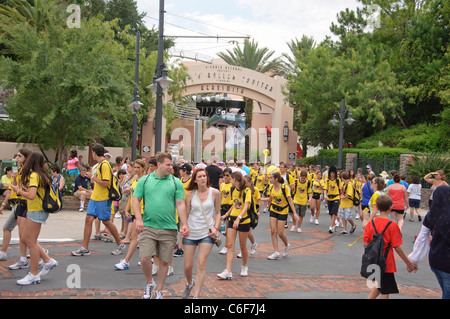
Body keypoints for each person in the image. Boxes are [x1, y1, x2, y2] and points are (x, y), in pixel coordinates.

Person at [133, 152, 190, 299]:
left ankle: (159, 290)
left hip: (169, 227)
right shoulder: (145, 181)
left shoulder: (176, 182)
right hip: (148, 226)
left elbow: (180, 204)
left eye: (172, 165)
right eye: (168, 165)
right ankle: (149, 283)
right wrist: (138, 218)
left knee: (164, 261)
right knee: (145, 258)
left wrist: (184, 223)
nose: (171, 167)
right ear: (159, 165)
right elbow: (135, 200)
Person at [11, 152, 58, 285]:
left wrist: (18, 191)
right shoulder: (40, 174)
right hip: (36, 210)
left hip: (36, 210)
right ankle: (48, 261)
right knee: (26, 238)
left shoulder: (33, 175)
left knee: (30, 241)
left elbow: (31, 195)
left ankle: (34, 274)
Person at [71, 144, 125, 256]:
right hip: (95, 197)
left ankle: (120, 243)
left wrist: (92, 177)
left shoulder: (105, 165)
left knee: (106, 221)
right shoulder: (99, 165)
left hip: (103, 198)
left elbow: (105, 183)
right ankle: (85, 247)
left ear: (94, 153)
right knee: (88, 219)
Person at [363, 195, 417, 299]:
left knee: (379, 286)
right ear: (391, 207)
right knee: (385, 290)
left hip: (373, 260)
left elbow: (366, 244)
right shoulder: (392, 225)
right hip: (386, 262)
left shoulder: (371, 223)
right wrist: (409, 263)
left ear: (377, 207)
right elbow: (397, 247)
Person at [182, 169, 221, 299]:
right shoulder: (190, 195)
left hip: (207, 232)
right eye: (200, 176)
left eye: (204, 176)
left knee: (201, 263)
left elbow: (217, 213)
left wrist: (216, 227)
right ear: (195, 180)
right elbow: (186, 214)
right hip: (191, 232)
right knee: (187, 266)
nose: (203, 178)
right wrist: (184, 226)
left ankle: (196, 296)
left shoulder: (215, 193)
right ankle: (189, 283)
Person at [408, 185, 450, 299]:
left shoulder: (431, 215)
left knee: (445, 291)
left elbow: (422, 237)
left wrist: (413, 260)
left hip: (435, 260)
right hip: (447, 263)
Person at [217, 171, 252, 279]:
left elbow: (246, 206)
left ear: (235, 179)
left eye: (231, 179)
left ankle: (244, 266)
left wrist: (239, 218)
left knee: (242, 245)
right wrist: (227, 214)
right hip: (232, 219)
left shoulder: (247, 190)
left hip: (243, 220)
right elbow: (234, 203)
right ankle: (228, 270)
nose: (229, 181)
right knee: (230, 245)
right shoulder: (232, 190)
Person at [2, 149, 32, 268]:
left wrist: (18, 188)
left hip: (26, 203)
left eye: (19, 156)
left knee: (24, 235)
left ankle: (38, 255)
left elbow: (27, 190)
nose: (17, 158)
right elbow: (14, 187)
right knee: (9, 228)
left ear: (26, 158)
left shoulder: (29, 172)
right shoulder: (19, 171)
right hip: (18, 203)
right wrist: (14, 178)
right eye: (16, 156)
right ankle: (6, 253)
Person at [114, 159, 146, 270]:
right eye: (135, 167)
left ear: (143, 168)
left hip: (142, 211)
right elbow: (131, 197)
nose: (136, 169)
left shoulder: (145, 180)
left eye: (138, 167)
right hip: (134, 212)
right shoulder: (134, 180)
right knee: (137, 237)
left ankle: (126, 261)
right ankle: (148, 258)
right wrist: (127, 210)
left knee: (135, 237)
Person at [262, 172, 299, 260]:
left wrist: (295, 213)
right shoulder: (271, 187)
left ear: (276, 179)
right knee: (273, 231)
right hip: (274, 210)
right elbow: (270, 199)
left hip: (283, 211)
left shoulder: (284, 188)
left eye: (271, 178)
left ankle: (287, 245)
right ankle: (276, 252)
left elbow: (290, 201)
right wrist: (259, 199)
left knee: (280, 232)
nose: (269, 179)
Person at [218, 168, 233, 255]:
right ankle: (230, 239)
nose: (225, 177)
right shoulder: (222, 184)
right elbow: (220, 195)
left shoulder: (232, 185)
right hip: (222, 207)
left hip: (230, 208)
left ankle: (226, 245)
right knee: (221, 228)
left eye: (227, 175)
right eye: (224, 175)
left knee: (227, 227)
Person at [324, 167, 340, 233]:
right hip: (330, 197)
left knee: (334, 212)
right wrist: (325, 195)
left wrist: (341, 197)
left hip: (336, 197)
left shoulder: (338, 180)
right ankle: (333, 224)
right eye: (331, 173)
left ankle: (331, 226)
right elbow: (325, 188)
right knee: (331, 212)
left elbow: (340, 189)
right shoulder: (327, 180)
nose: (332, 174)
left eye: (333, 173)